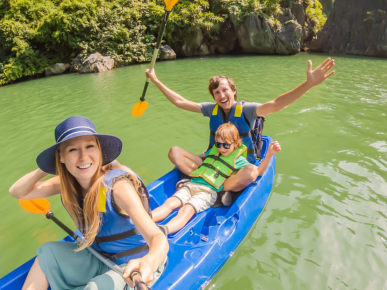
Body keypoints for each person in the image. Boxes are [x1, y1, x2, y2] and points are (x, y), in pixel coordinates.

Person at [9, 116, 168, 290]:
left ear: (99, 150)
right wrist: (48, 165)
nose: (83, 157)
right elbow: (18, 192)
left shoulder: (118, 188)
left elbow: (157, 236)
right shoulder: (68, 183)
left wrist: (149, 262)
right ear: (61, 157)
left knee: (96, 289)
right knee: (47, 253)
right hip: (100, 257)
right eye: (72, 150)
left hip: (135, 265)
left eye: (90, 146)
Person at [144, 58, 335, 195]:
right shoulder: (212, 110)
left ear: (233, 91)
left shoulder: (247, 110)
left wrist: (308, 84)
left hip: (237, 167)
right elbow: (180, 102)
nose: (221, 95)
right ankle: (210, 181)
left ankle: (217, 185)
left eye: (225, 90)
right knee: (174, 152)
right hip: (214, 164)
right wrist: (155, 80)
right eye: (216, 92)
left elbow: (277, 104)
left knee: (252, 172)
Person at [151, 124, 282, 234]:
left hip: (208, 192)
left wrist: (270, 154)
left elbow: (258, 172)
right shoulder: (214, 151)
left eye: (226, 145)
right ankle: (146, 221)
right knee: (169, 203)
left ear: (236, 144)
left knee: (186, 210)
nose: (221, 148)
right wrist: (182, 164)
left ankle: (164, 230)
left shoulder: (239, 160)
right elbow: (202, 157)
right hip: (192, 184)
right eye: (219, 144)